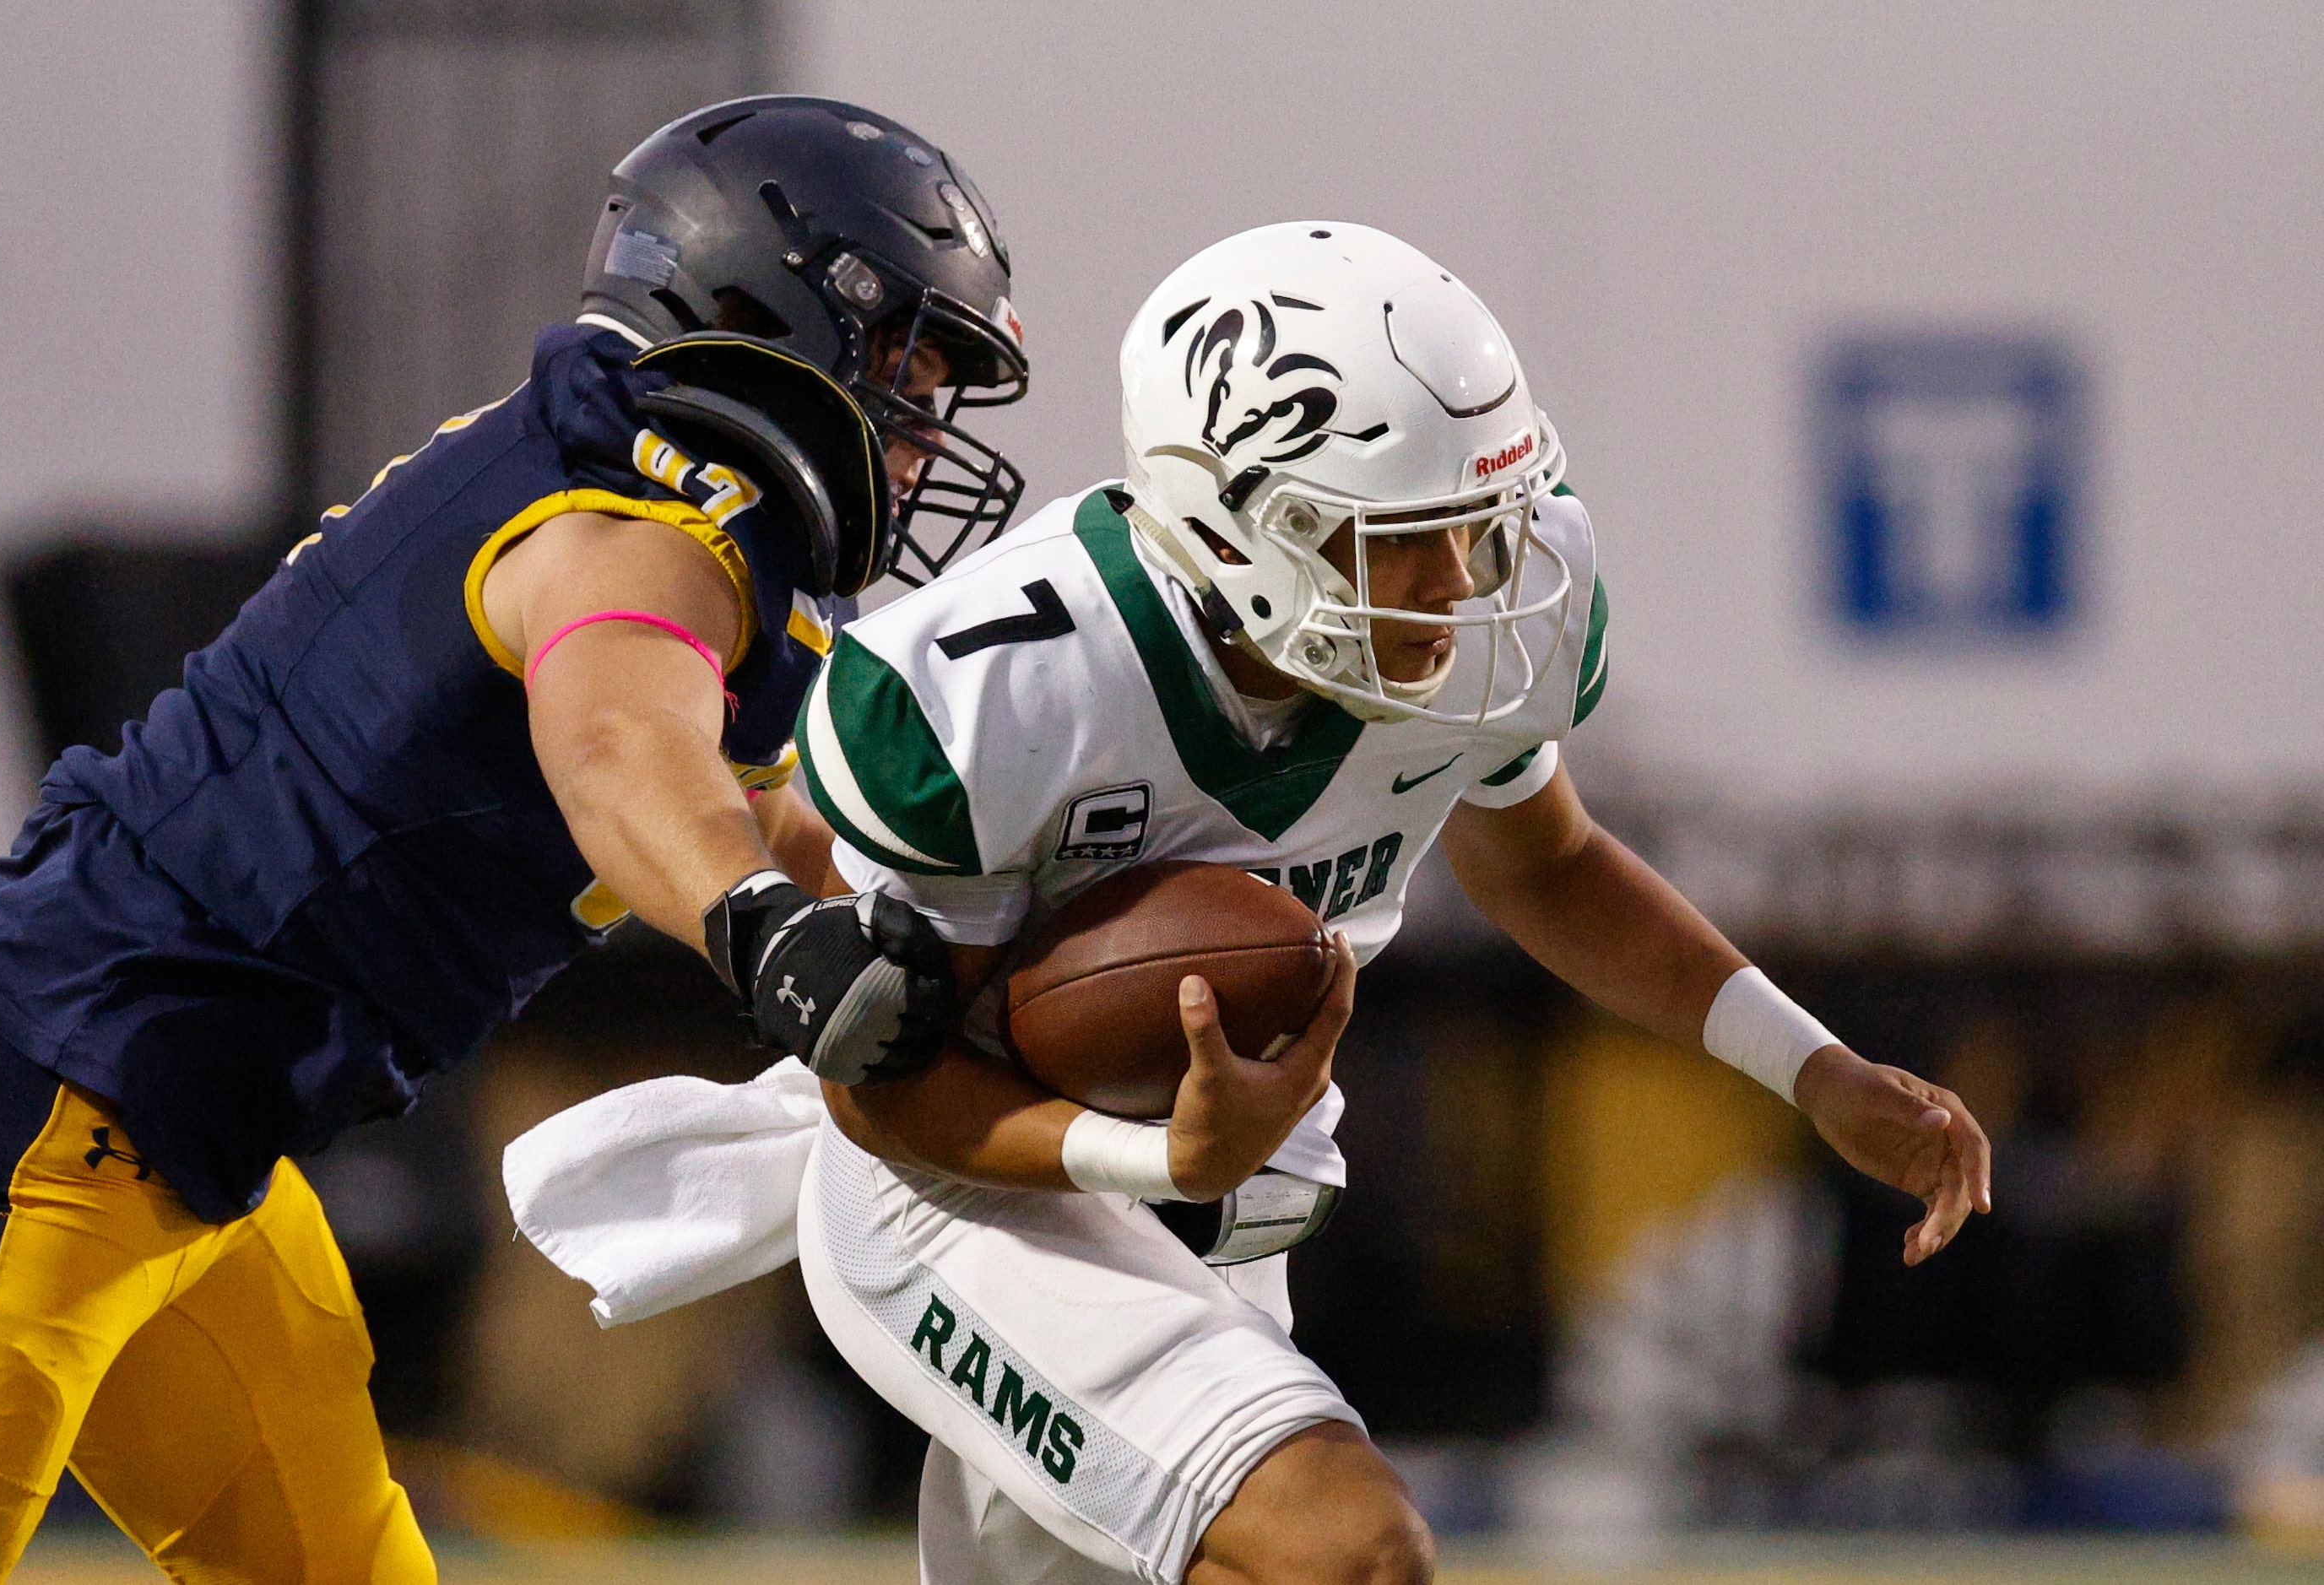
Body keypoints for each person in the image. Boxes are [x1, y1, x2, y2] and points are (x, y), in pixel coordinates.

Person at [786, 223, 1996, 1585]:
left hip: (1217, 1201)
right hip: (959, 1196)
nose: (1465, 581)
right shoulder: (994, 685)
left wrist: (1814, 1067)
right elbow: (878, 1095)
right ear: (1234, 526)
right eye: (1403, 541)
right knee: (1350, 1551)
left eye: (1480, 525)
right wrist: (1155, 1159)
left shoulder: (1463, 632)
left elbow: (1546, 863)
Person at [0, 95, 1020, 1582]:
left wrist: (990, 967)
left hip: (189, 1150)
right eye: (908, 360)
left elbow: (770, 803)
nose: (924, 427)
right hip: (37, 1117)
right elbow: (615, 743)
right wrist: (767, 929)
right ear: (759, 302)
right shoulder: (645, 518)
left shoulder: (695, 534)